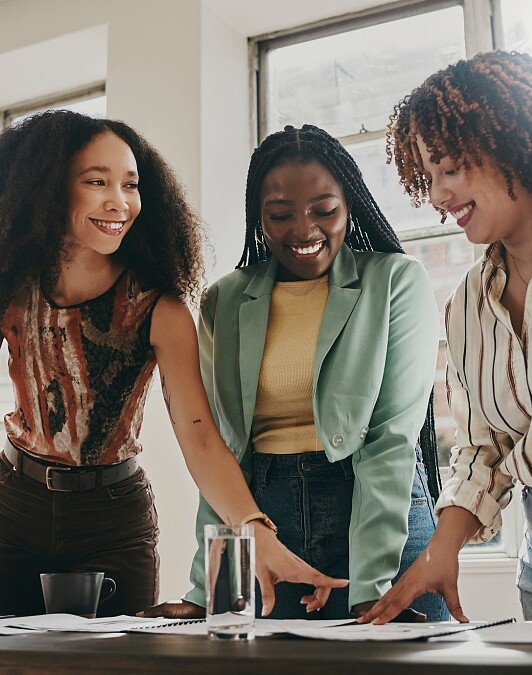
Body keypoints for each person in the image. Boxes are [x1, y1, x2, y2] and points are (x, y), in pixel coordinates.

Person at [0, 110, 345, 617]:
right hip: (14, 507)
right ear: (50, 188)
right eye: (97, 182)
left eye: (130, 184)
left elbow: (202, 437)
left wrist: (255, 533)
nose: (120, 202)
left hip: (113, 521)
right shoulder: (13, 289)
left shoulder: (159, 308)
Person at [142, 124, 449, 621]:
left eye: (324, 211)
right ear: (258, 218)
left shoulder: (394, 281)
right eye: (280, 215)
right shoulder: (226, 299)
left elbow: (391, 440)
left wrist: (370, 585)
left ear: (349, 205)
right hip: (266, 526)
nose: (304, 231)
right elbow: (222, 450)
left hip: (376, 518)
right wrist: (207, 589)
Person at [360, 51, 532, 627]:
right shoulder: (469, 300)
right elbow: (483, 446)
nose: (439, 195)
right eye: (428, 176)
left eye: (450, 168)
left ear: (514, 144)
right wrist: (439, 554)